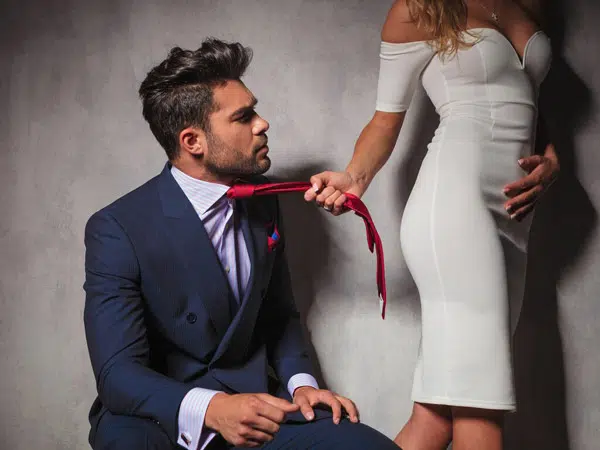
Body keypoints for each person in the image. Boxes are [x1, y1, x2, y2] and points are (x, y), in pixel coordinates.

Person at [83, 39, 400, 450]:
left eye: (256, 110)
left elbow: (279, 315)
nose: (262, 123)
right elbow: (117, 374)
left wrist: (301, 384)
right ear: (192, 141)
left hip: (258, 404)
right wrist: (212, 408)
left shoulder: (263, 199)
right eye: (244, 116)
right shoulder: (117, 228)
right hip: (159, 418)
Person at [304, 1, 559, 449]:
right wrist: (354, 178)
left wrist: (551, 156)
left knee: (436, 416)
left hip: (515, 218)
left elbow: (527, 94)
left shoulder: (529, 2)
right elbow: (386, 118)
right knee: (480, 408)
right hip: (455, 205)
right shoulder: (418, 7)